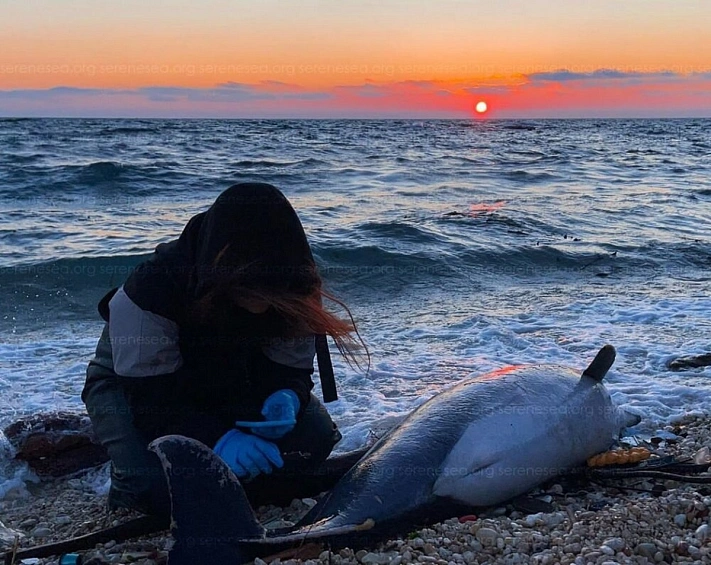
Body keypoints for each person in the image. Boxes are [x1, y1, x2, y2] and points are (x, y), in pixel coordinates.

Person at [82, 182, 362, 519]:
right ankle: (122, 465)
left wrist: (286, 395)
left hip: (231, 377)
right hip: (133, 386)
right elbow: (152, 402)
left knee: (314, 442)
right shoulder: (148, 293)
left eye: (272, 293)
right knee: (155, 488)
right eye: (252, 291)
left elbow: (292, 368)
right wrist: (221, 439)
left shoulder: (296, 285)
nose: (262, 303)